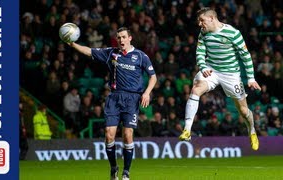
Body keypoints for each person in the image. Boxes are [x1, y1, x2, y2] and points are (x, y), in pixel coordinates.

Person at [66, 27, 157, 180]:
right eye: (118, 38)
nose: (121, 40)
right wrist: (73, 44)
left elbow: (153, 77)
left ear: (130, 38)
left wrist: (147, 93)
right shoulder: (111, 53)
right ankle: (113, 167)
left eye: (123, 37)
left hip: (132, 99)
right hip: (114, 98)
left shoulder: (141, 56)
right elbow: (89, 51)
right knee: (109, 135)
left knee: (128, 135)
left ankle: (126, 172)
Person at [178, 7, 261, 151]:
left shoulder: (233, 33)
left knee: (243, 110)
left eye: (202, 20)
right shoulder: (203, 33)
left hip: (231, 75)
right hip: (212, 70)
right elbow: (200, 52)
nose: (200, 24)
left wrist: (251, 78)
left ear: (212, 18)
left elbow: (245, 55)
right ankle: (187, 130)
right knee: (196, 89)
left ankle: (252, 131)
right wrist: (203, 67)